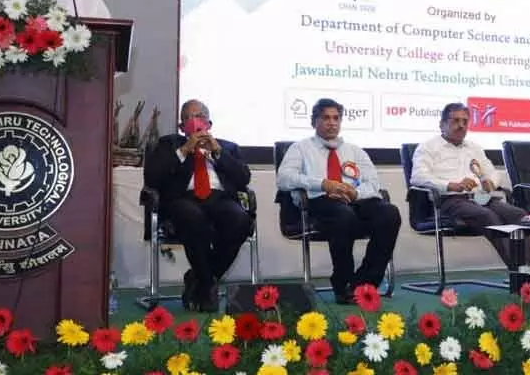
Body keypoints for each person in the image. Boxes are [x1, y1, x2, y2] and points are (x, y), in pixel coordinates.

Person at [276, 98, 401, 304]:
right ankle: (342, 283)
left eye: (336, 118)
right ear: (314, 121)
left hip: (355, 200)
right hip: (319, 201)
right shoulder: (300, 148)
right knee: (343, 215)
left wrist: (354, 193)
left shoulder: (354, 150)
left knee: (389, 213)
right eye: (326, 118)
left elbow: (372, 182)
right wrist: (323, 184)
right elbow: (284, 179)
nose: (332, 122)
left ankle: (364, 283)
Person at [143, 99, 254, 312]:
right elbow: (153, 178)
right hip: (183, 199)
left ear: (209, 124)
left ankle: (200, 279)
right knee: (192, 217)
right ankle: (206, 285)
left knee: (240, 220)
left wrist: (218, 152)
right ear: (181, 126)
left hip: (220, 199)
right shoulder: (169, 144)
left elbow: (243, 179)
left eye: (200, 116)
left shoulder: (228, 147)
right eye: (189, 117)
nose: (195, 121)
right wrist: (185, 150)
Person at [411, 102, 530, 270]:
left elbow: (492, 172)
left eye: (465, 121)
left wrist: (490, 182)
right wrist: (450, 185)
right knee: (488, 217)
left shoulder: (474, 148)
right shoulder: (427, 147)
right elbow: (418, 177)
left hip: (481, 198)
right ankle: (520, 273)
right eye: (455, 121)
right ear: (442, 124)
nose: (461, 125)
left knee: (518, 215)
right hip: (450, 201)